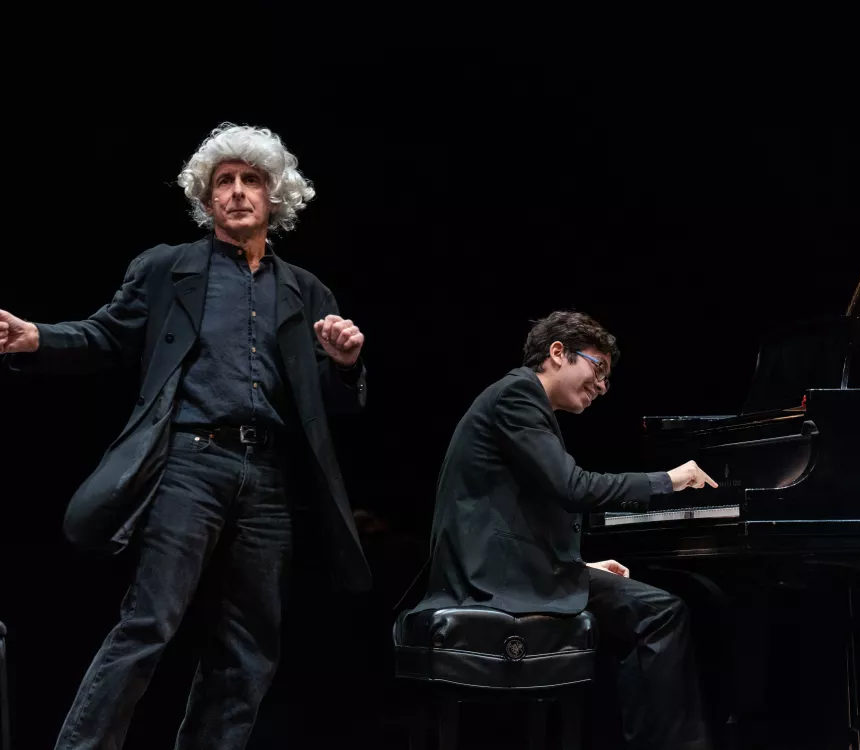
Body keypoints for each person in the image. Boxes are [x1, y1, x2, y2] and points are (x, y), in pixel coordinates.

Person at [0, 123, 371, 749]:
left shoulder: (307, 291)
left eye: (250, 180)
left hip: (271, 481)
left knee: (249, 648)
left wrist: (345, 364)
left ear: (274, 196)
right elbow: (106, 335)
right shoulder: (168, 268)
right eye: (222, 182)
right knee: (149, 622)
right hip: (190, 464)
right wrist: (37, 337)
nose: (236, 192)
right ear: (206, 199)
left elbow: (332, 407)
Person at [415, 310, 717, 749]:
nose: (600, 386)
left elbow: (514, 511)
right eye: (597, 369)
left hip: (512, 568)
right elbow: (572, 487)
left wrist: (579, 565)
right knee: (662, 613)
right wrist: (666, 480)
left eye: (607, 380)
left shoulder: (520, 402)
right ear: (557, 353)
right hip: (494, 579)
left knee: (645, 614)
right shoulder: (518, 395)